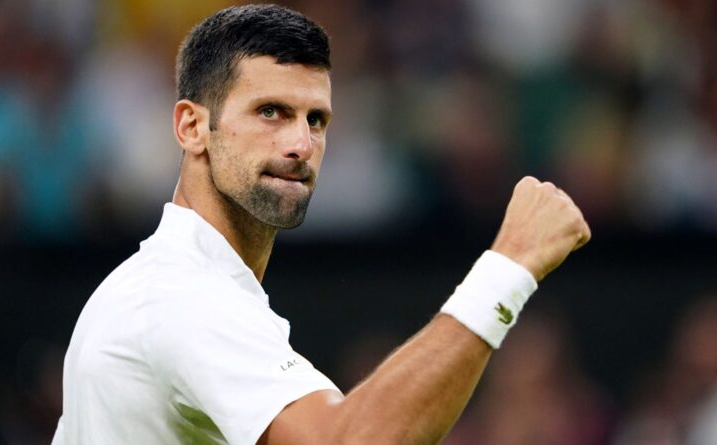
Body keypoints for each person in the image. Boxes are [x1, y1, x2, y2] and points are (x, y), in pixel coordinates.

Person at [51, 4, 591, 445]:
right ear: (193, 127)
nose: (301, 145)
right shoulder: (179, 295)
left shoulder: (163, 288)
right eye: (270, 112)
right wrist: (510, 263)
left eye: (316, 119)